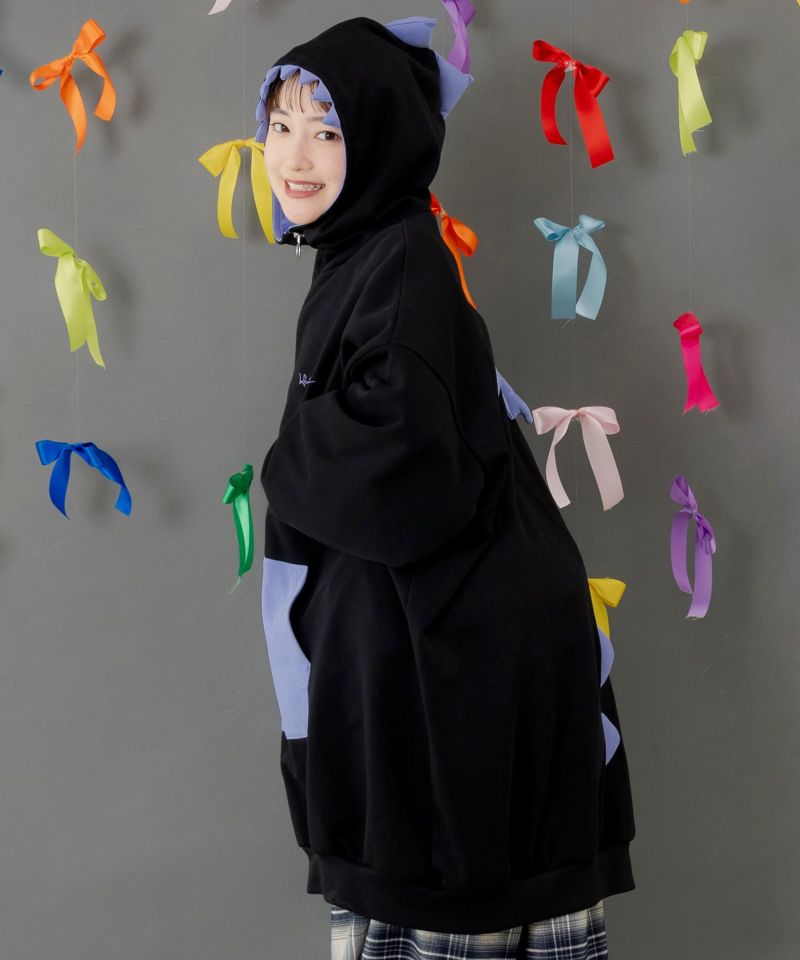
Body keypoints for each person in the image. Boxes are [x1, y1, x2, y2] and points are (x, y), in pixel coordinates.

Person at [254, 14, 636, 958]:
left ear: (383, 139)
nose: (294, 157)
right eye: (280, 125)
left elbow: (403, 467)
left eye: (327, 131)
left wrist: (285, 457)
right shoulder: (367, 251)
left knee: (450, 899)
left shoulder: (401, 261)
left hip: (458, 654)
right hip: (449, 641)